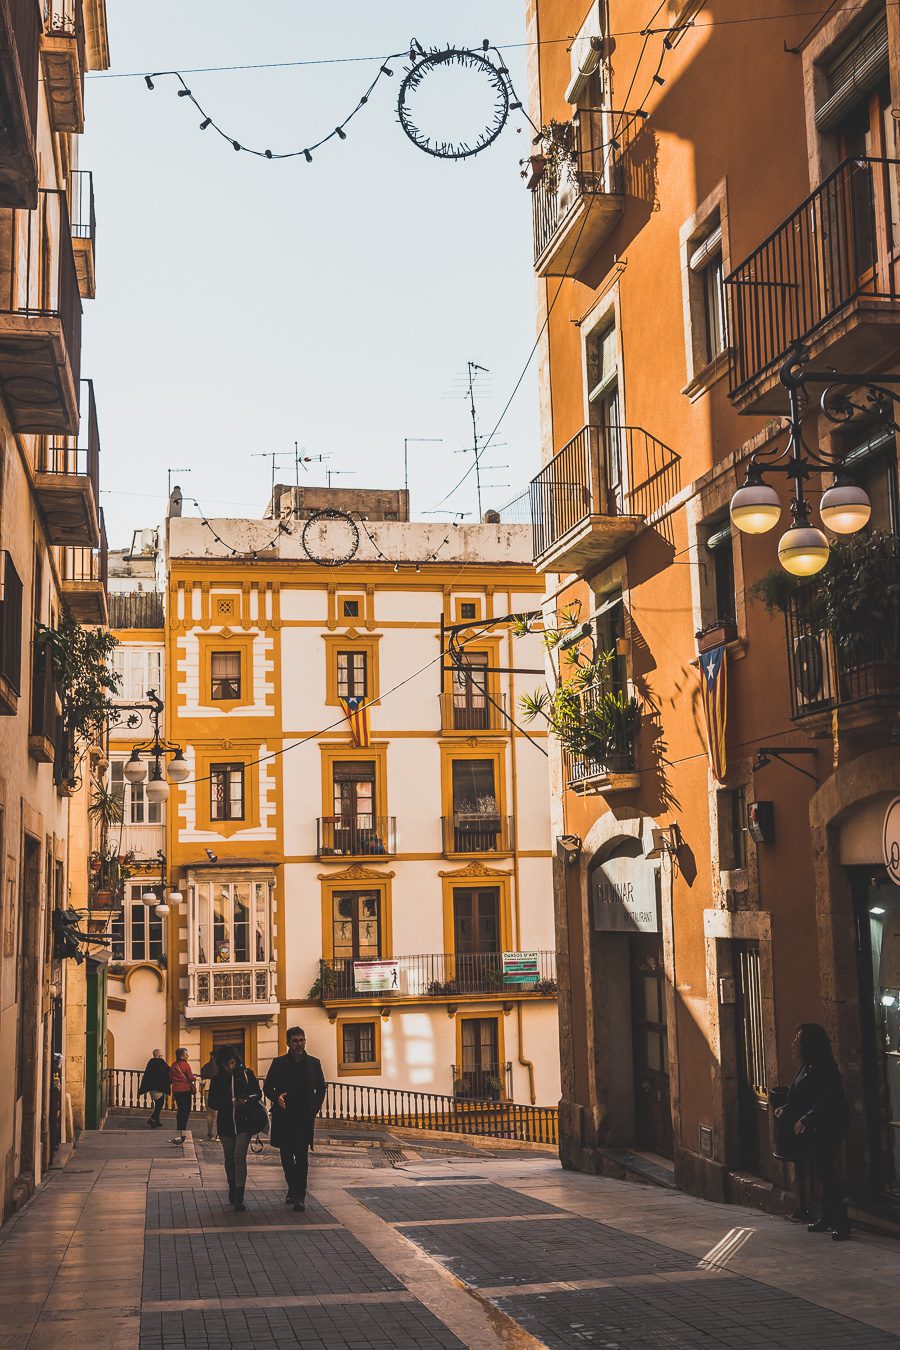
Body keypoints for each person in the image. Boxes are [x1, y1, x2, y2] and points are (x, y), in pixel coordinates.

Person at [776, 1023, 852, 1241]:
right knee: (822, 1169)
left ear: (809, 1043)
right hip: (818, 1124)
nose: (795, 1042)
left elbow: (829, 1097)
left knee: (827, 1171)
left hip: (831, 1122)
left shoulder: (824, 1066)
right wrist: (788, 1108)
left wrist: (809, 1117)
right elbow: (802, 1094)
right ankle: (828, 1217)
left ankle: (841, 1223)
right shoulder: (806, 1066)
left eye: (799, 1039)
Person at [263, 1027, 326, 1211]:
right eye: (295, 1041)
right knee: (286, 1156)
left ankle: (300, 1194)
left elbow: (321, 1088)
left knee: (302, 1156)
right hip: (284, 1117)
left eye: (302, 1040)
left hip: (304, 1118)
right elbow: (268, 1087)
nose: (299, 1044)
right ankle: (292, 1186)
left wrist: (314, 1108)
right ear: (288, 1043)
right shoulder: (279, 1063)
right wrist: (276, 1097)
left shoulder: (314, 1063)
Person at [207, 1045, 263, 1211]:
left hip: (244, 1122)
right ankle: (232, 1187)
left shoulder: (247, 1074)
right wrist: (228, 1101)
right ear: (221, 1065)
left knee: (239, 1158)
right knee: (229, 1158)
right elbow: (212, 1103)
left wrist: (246, 1100)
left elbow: (257, 1093)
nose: (230, 1067)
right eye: (226, 1064)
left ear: (236, 1060)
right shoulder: (217, 1079)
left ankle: (240, 1195)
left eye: (232, 1063)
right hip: (225, 1123)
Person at [169, 1047, 196, 1146]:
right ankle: (183, 1127)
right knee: (186, 1109)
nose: (187, 1056)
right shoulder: (185, 1065)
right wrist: (194, 1077)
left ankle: (179, 1126)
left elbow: (170, 1077)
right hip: (185, 1090)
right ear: (182, 1056)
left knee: (180, 1109)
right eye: (186, 1054)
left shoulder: (173, 1065)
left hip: (176, 1090)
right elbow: (190, 1078)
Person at [139, 1049, 170, 1129]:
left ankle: (157, 1121)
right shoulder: (161, 1062)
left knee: (157, 1105)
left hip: (152, 1088)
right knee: (159, 1105)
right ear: (159, 1055)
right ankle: (152, 1119)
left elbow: (147, 1075)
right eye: (161, 1055)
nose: (162, 1057)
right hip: (159, 1088)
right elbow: (168, 1071)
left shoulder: (151, 1062)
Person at [200, 1049, 219, 1140]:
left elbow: (202, 1080)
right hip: (219, 1091)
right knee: (220, 1113)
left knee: (209, 1113)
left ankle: (210, 1133)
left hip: (208, 1091)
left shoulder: (205, 1067)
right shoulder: (221, 1067)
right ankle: (219, 1133)